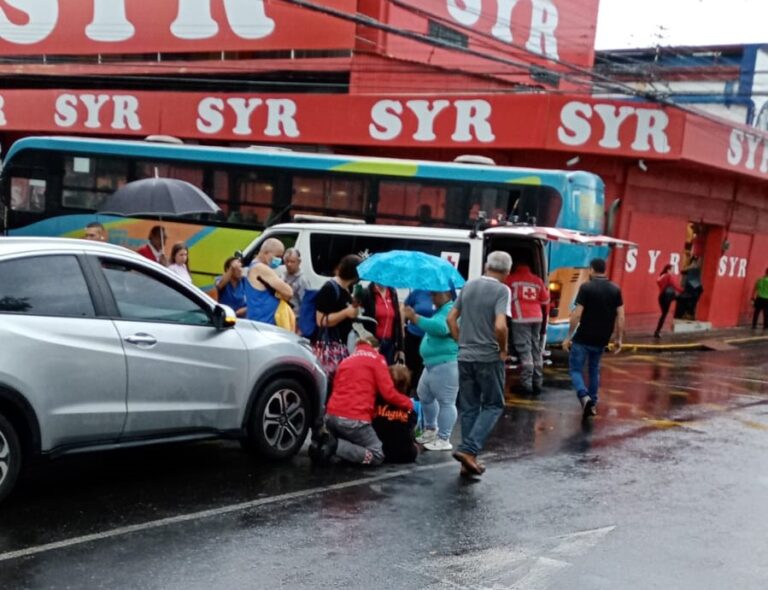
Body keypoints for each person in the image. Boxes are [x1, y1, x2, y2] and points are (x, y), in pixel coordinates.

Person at [446, 251, 512, 477]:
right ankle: (469, 449)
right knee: (493, 404)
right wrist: (502, 349)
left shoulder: (469, 286)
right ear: (507, 271)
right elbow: (501, 326)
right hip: (488, 356)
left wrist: (460, 340)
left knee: (469, 406)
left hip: (465, 355)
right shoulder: (502, 290)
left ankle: (467, 461)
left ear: (486, 266)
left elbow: (451, 318)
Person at [310, 325, 414, 466]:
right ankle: (335, 446)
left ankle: (320, 444)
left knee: (346, 436)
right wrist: (407, 403)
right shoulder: (377, 359)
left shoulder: (346, 360)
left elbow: (334, 388)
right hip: (354, 419)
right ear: (375, 348)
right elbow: (388, 393)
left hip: (332, 416)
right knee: (377, 454)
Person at [562, 258, 624, 420]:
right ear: (604, 270)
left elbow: (576, 314)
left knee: (576, 369)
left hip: (583, 337)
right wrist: (619, 338)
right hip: (602, 338)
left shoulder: (586, 288)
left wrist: (568, 336)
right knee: (594, 369)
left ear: (591, 269)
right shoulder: (615, 290)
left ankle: (584, 396)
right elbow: (621, 317)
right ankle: (593, 403)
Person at [403, 290, 459, 452]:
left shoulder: (451, 309)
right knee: (425, 395)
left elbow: (441, 328)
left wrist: (415, 318)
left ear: (447, 295)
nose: (432, 298)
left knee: (446, 401)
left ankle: (444, 438)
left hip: (446, 362)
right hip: (431, 364)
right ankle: (430, 429)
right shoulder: (441, 310)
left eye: (436, 295)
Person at [505, 259, 550, 394]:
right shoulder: (537, 280)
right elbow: (545, 300)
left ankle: (526, 385)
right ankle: (537, 382)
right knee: (535, 348)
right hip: (537, 317)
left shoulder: (511, 279)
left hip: (520, 318)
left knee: (524, 350)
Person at [245, 238, 293, 325]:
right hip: (264, 324)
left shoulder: (253, 265)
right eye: (277, 256)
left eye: (281, 257)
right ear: (265, 253)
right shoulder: (261, 268)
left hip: (259, 322)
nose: (279, 260)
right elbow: (289, 292)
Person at [359, 282, 404, 365]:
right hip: (372, 342)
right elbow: (360, 319)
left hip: (390, 343)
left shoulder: (393, 292)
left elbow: (397, 320)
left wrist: (400, 348)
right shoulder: (367, 292)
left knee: (387, 371)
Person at [402, 289, 434, 393]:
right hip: (413, 336)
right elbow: (404, 307)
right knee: (410, 368)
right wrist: (402, 326)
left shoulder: (442, 294)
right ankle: (406, 395)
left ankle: (419, 396)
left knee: (425, 370)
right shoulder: (418, 292)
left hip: (431, 339)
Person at [654, 264, 683, 338]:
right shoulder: (669, 276)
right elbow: (674, 285)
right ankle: (657, 331)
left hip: (661, 297)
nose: (673, 271)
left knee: (663, 315)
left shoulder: (662, 276)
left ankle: (657, 331)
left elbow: (659, 283)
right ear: (668, 270)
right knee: (682, 297)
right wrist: (682, 291)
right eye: (672, 269)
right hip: (667, 297)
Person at [281, 247, 311, 318]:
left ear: (299, 262)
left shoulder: (302, 280)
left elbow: (306, 304)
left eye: (292, 262)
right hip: (283, 315)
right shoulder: (282, 276)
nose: (289, 264)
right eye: (287, 261)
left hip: (296, 317)